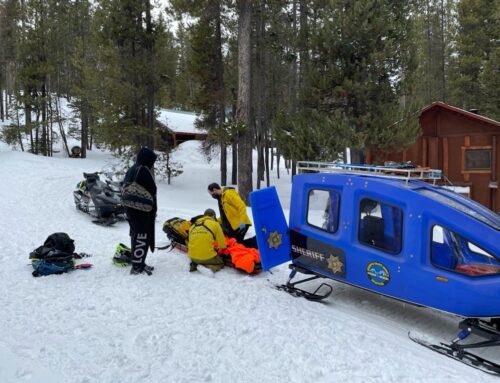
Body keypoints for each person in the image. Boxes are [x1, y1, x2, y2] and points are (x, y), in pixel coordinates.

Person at [123, 147, 157, 275]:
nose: (152, 163)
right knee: (142, 237)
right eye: (151, 160)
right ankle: (137, 266)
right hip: (141, 211)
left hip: (131, 209)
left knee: (135, 235)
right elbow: (152, 190)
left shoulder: (132, 169)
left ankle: (138, 262)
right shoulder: (143, 169)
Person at [187, 208, 227, 273]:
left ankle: (194, 264)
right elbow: (222, 245)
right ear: (213, 216)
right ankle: (210, 268)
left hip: (192, 256)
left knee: (199, 254)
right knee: (221, 262)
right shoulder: (216, 224)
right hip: (207, 257)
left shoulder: (193, 225)